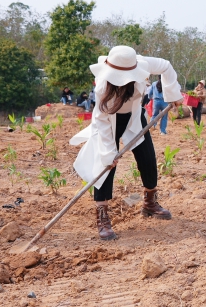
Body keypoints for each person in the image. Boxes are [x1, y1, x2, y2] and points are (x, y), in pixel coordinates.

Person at [69, 45, 183, 241]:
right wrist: (108, 154)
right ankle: (102, 216)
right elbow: (103, 123)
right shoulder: (103, 88)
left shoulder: (142, 63)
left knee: (147, 158)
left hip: (135, 117)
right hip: (108, 123)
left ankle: (149, 203)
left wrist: (172, 95)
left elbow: (166, 66)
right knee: (104, 167)